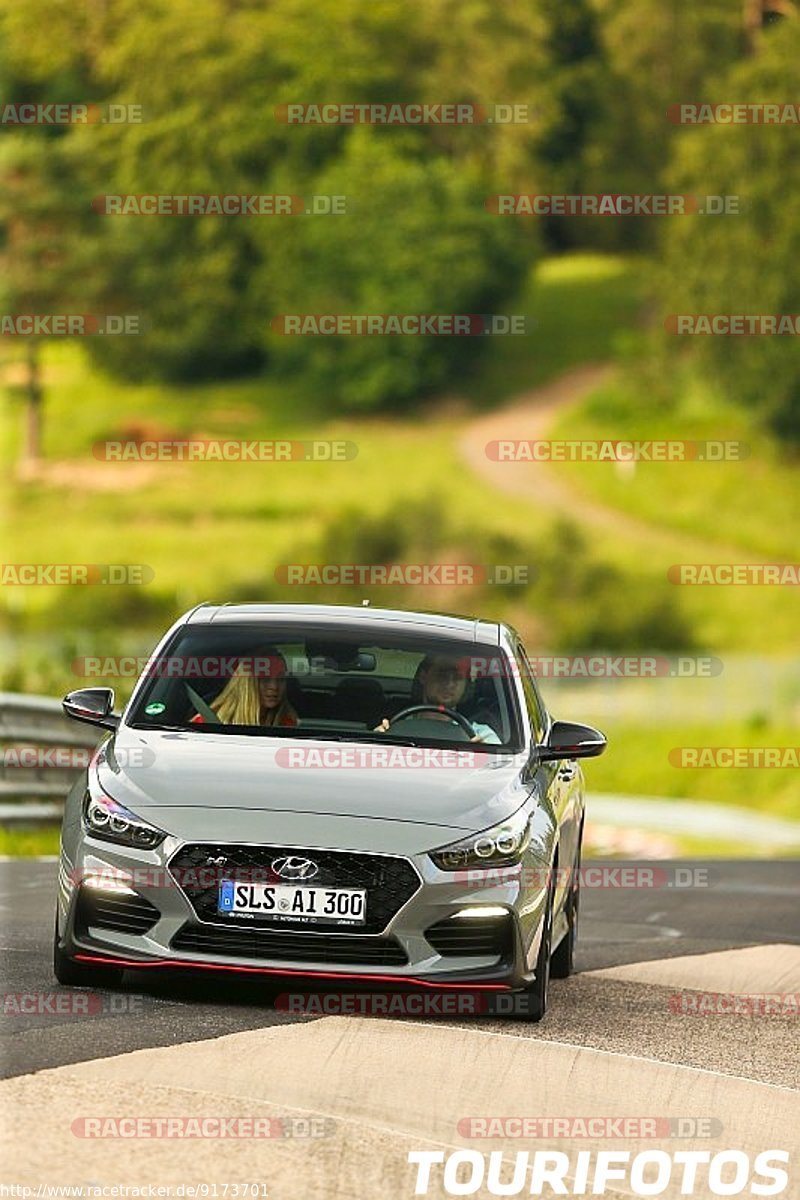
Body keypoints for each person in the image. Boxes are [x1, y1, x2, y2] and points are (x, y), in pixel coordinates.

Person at [375, 653, 500, 743]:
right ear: (424, 677)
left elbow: (498, 770)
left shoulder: (482, 735)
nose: (449, 684)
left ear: (466, 685)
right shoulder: (393, 729)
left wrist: (483, 755)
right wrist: (377, 740)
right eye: (442, 674)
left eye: (457, 677)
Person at [190, 647, 299, 728]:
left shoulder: (287, 724)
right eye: (265, 679)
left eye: (281, 679)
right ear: (247, 683)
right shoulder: (205, 722)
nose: (274, 687)